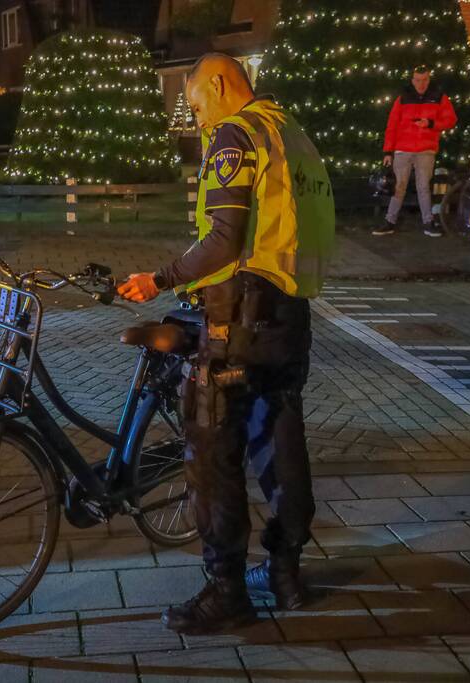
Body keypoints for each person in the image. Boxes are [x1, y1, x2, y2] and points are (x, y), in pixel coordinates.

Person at [118, 53, 335, 635]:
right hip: (290, 314)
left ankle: (226, 590)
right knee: (282, 435)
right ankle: (287, 574)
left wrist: (158, 279)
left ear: (218, 84)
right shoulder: (290, 132)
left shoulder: (235, 135)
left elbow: (222, 239)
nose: (196, 119)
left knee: (210, 452)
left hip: (237, 318)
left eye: (194, 105)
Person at [373, 65, 457, 238]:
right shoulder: (404, 99)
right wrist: (388, 151)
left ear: (429, 79)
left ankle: (423, 222)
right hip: (404, 149)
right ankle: (395, 221)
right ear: (413, 80)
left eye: (424, 80)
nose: (421, 84)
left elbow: (450, 120)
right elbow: (392, 125)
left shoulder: (438, 98)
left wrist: (431, 124)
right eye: (418, 80)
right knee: (400, 186)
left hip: (424, 149)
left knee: (421, 187)